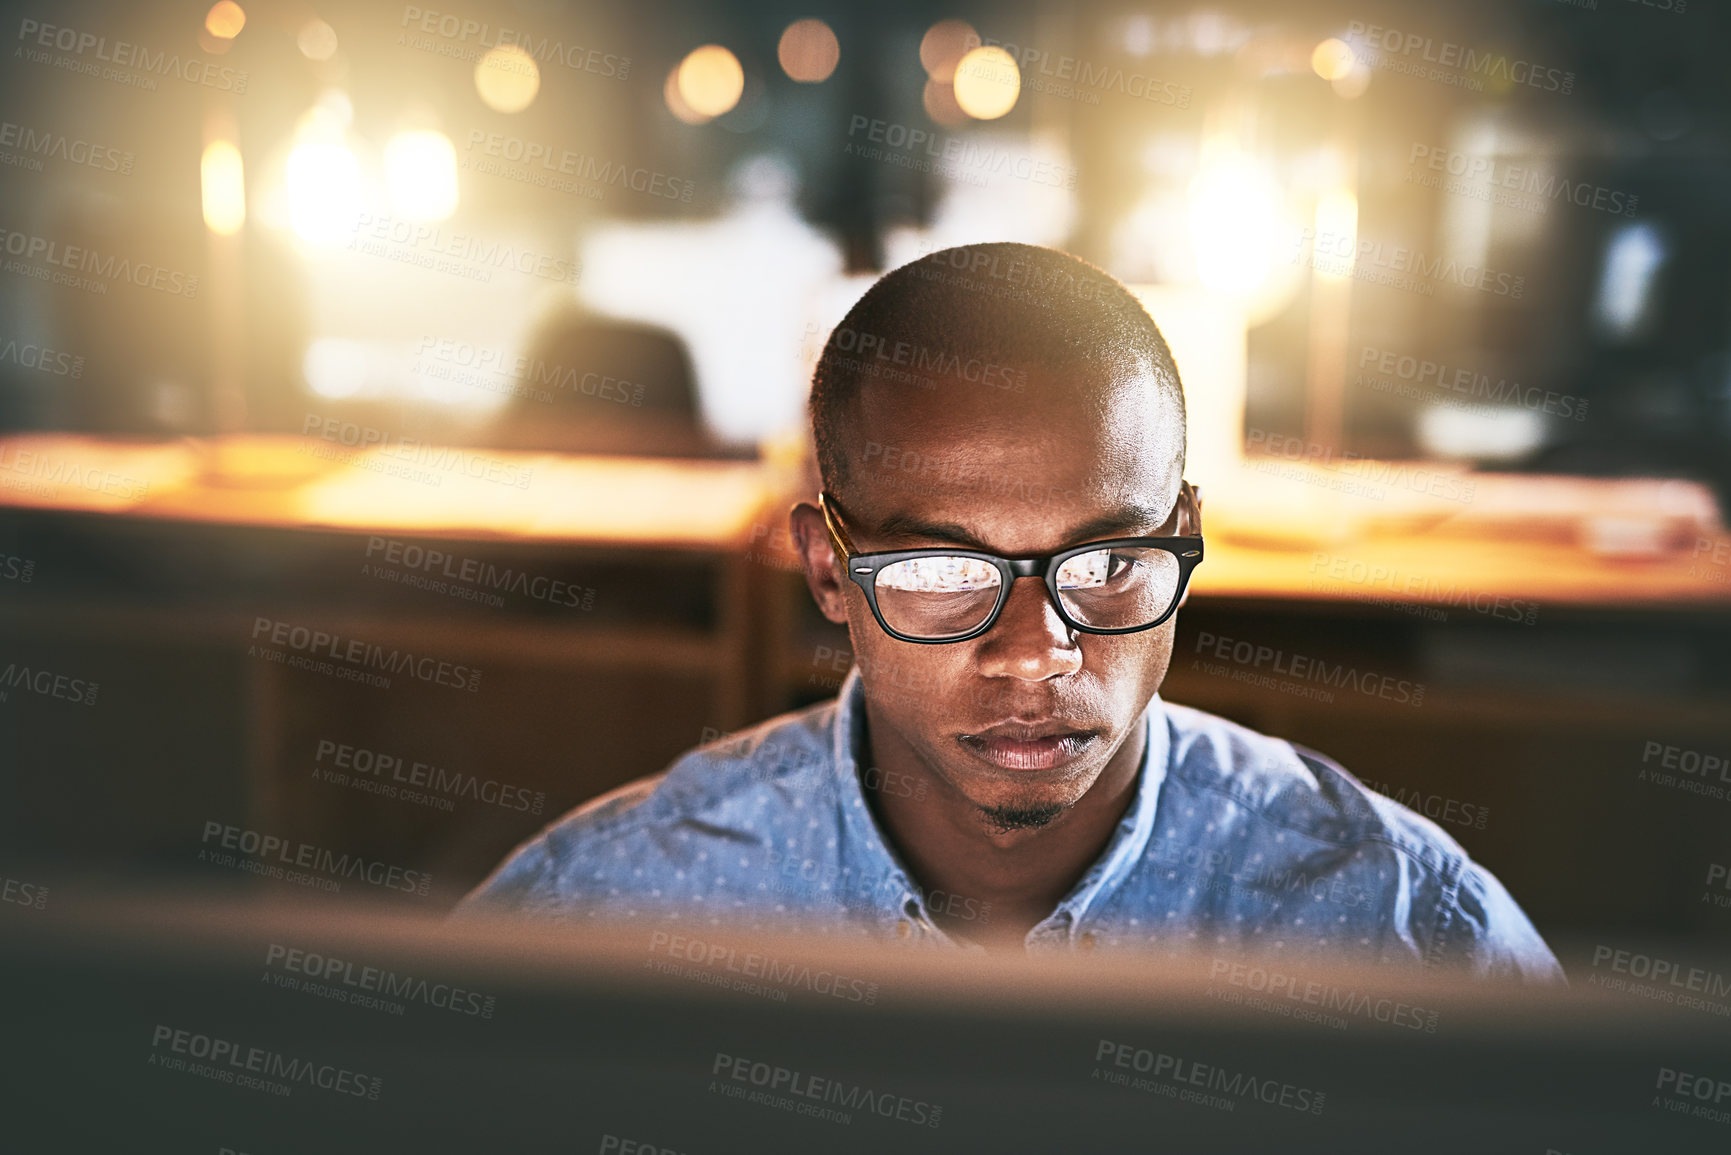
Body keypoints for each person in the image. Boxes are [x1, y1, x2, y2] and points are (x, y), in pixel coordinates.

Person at [456, 242, 1563, 983]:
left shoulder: (1397, 929)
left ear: (1186, 535)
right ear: (829, 573)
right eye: (943, 571)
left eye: (1109, 560)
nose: (1036, 655)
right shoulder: (607, 917)